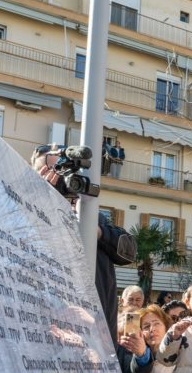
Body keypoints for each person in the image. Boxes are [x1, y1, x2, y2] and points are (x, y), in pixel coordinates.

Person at [31, 144, 136, 341]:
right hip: (54, 336)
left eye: (61, 170)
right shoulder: (26, 216)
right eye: (49, 170)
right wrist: (44, 205)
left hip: (99, 336)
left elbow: (128, 252)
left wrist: (95, 231)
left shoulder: (92, 216)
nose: (56, 177)